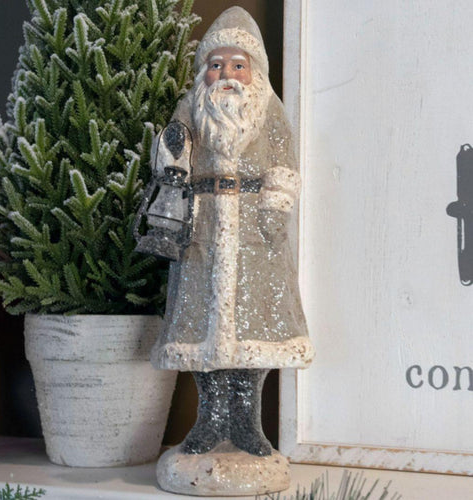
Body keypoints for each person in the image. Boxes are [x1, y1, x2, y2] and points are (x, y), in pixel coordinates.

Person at [150, 6, 314, 456]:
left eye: (237, 65)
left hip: (255, 234)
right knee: (201, 325)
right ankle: (210, 419)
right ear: (203, 71)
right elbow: (171, 153)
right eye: (216, 64)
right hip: (202, 229)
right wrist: (171, 152)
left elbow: (283, 161)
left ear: (253, 71)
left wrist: (274, 208)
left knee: (254, 325)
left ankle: (246, 423)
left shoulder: (269, 109)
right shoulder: (191, 108)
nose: (226, 74)